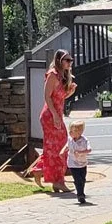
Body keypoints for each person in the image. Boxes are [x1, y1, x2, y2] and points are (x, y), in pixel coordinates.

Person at [39, 50, 76, 191]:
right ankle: (58, 181)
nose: (69, 63)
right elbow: (47, 97)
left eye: (70, 60)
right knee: (57, 148)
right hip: (50, 115)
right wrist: (54, 115)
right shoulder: (53, 75)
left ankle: (54, 178)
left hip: (57, 115)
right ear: (59, 60)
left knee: (59, 147)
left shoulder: (62, 76)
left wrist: (69, 92)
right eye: (67, 60)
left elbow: (58, 97)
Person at [65, 118, 92, 205]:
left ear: (79, 132)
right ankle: (80, 195)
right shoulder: (70, 139)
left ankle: (81, 191)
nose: (70, 133)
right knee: (77, 179)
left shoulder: (84, 140)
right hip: (72, 163)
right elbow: (67, 146)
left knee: (82, 179)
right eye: (70, 131)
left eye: (72, 131)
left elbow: (89, 150)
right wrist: (62, 151)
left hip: (82, 163)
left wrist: (81, 152)